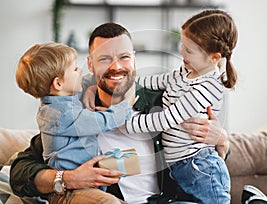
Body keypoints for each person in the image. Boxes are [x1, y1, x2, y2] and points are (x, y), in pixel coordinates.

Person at [10, 23, 230, 204]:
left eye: (124, 57)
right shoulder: (76, 114)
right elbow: (19, 172)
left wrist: (221, 141)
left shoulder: (165, 103)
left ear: (134, 59)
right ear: (90, 63)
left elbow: (204, 165)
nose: (116, 66)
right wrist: (68, 178)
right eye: (104, 58)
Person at [124, 9, 237, 203]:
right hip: (180, 167)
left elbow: (167, 118)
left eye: (189, 50)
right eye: (182, 45)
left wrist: (127, 123)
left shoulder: (207, 87)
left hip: (199, 166)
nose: (181, 52)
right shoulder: (185, 72)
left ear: (214, 58)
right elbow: (153, 82)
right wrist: (126, 83)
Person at [15, 42, 133, 203]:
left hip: (94, 174)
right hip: (73, 188)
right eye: (76, 69)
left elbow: (84, 80)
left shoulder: (60, 102)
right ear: (58, 84)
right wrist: (126, 106)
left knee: (133, 162)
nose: (81, 71)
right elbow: (105, 120)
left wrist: (92, 86)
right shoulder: (62, 115)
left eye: (124, 56)